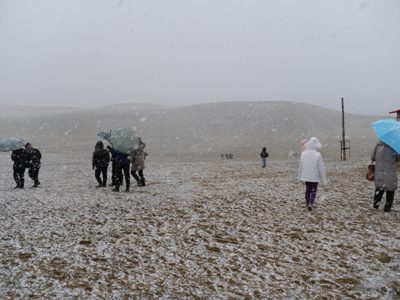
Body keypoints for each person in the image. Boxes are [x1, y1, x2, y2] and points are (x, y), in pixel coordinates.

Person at [298, 137, 327, 211]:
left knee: (308, 189)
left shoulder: (303, 154)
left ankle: (307, 202)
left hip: (306, 176)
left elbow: (300, 165)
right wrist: (323, 179)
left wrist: (299, 176)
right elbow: (321, 168)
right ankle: (311, 202)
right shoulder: (318, 155)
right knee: (313, 190)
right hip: (314, 176)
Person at [371, 141, 400, 212]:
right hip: (390, 172)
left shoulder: (378, 144)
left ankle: (375, 205)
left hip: (379, 171)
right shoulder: (394, 146)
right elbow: (397, 159)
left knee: (379, 188)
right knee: (390, 190)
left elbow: (373, 157)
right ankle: (387, 207)